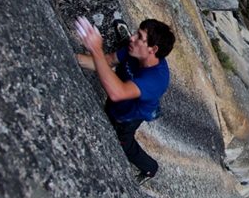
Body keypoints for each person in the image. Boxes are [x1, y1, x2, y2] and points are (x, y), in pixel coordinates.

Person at [75, 17, 175, 184]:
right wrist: (71, 57)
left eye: (139, 37)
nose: (132, 38)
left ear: (153, 49)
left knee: (125, 144)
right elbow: (106, 62)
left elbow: (117, 92)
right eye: (136, 33)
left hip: (129, 116)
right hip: (117, 102)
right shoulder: (132, 49)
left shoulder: (157, 79)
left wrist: (96, 49)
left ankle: (150, 168)